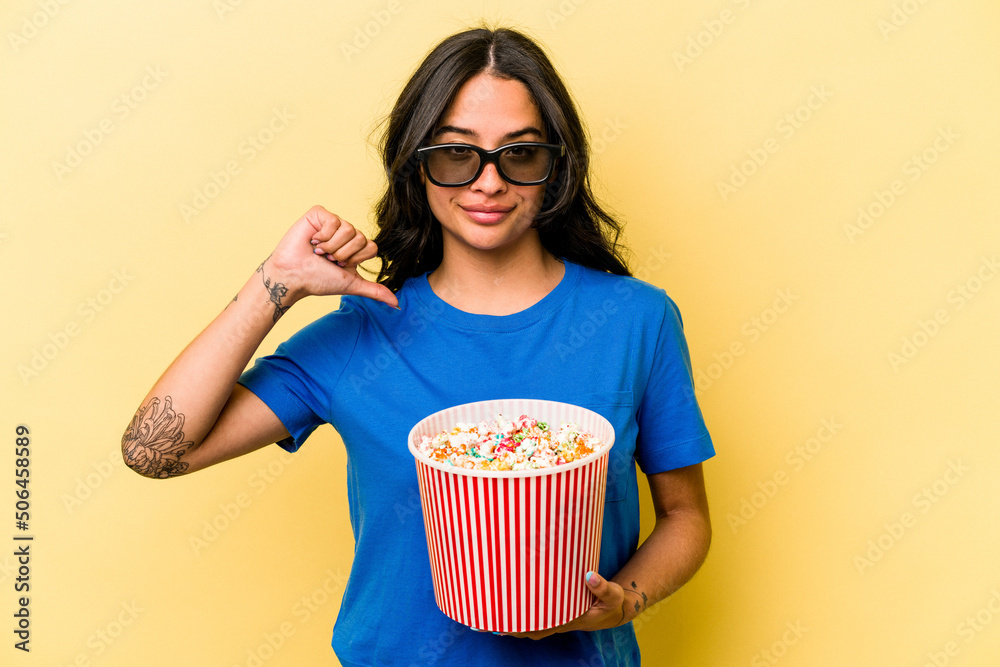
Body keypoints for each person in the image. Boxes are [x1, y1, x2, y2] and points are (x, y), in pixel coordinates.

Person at [122, 26, 714, 666]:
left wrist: (624, 599)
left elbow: (685, 517)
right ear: (417, 163)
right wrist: (277, 283)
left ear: (555, 166)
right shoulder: (360, 333)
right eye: (456, 155)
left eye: (519, 153)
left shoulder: (636, 321)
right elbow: (153, 451)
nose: (487, 182)